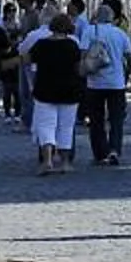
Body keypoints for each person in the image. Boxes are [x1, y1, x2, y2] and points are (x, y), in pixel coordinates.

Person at [24, 12, 87, 175]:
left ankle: (47, 160)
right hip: (69, 90)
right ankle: (65, 162)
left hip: (45, 89)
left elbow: (28, 59)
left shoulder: (41, 44)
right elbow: (79, 69)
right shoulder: (73, 45)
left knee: (46, 126)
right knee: (66, 127)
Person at [80, 0, 131, 166]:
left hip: (94, 82)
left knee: (96, 119)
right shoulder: (120, 33)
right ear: (112, 18)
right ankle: (114, 149)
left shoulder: (89, 31)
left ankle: (100, 152)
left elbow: (82, 54)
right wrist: (127, 74)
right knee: (117, 118)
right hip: (116, 82)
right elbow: (130, 57)